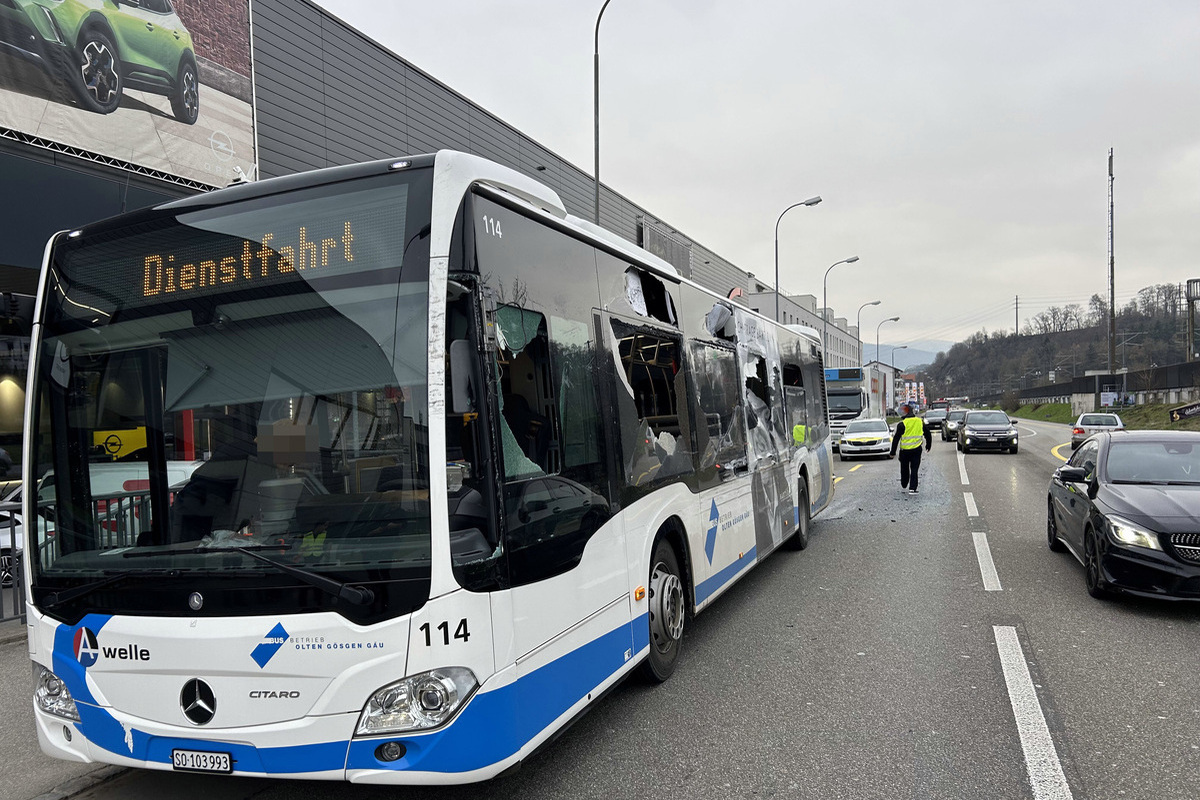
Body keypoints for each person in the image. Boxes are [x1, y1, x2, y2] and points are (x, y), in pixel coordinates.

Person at [889, 403, 932, 494]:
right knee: (914, 469)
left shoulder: (902, 424)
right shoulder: (919, 421)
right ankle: (912, 488)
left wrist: (892, 452)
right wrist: (928, 445)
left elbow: (896, 439)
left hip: (904, 451)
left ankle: (904, 483)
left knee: (904, 468)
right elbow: (928, 434)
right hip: (916, 450)